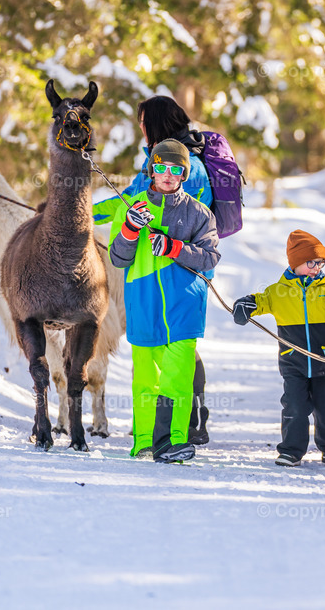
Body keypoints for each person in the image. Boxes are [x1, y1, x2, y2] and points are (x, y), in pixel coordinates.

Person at [96, 139, 220, 463]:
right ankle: (145, 442)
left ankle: (173, 442)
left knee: (177, 380)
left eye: (175, 169)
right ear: (152, 169)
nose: (167, 174)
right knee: (146, 382)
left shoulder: (199, 213)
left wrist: (173, 248)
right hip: (144, 305)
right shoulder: (131, 207)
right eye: (161, 167)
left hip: (184, 307)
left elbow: (210, 257)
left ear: (183, 174)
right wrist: (129, 229)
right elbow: (118, 259)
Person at [231, 230, 325, 467]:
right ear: (295, 263)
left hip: (324, 361)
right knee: (294, 406)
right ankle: (292, 451)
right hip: (292, 362)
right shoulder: (278, 292)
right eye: (311, 262)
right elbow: (259, 302)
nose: (317, 267)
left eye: (321, 262)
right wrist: (245, 306)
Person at [124, 95, 213, 444]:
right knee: (170, 352)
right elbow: (129, 201)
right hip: (160, 272)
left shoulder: (183, 166)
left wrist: (171, 243)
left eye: (144, 122)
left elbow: (191, 219)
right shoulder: (160, 162)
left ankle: (186, 427)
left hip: (181, 272)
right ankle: (161, 431)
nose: (141, 129)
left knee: (178, 352)